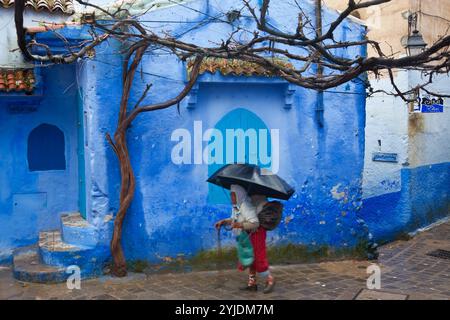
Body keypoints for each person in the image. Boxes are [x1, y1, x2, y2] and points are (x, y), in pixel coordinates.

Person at [215, 184, 275, 293]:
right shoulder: (236, 207)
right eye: (231, 195)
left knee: (258, 258)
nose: (231, 197)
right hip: (248, 235)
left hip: (257, 234)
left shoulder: (245, 206)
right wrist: (223, 222)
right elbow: (234, 219)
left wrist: (240, 225)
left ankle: (270, 280)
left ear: (239, 195)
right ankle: (252, 284)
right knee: (250, 258)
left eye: (233, 195)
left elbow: (255, 223)